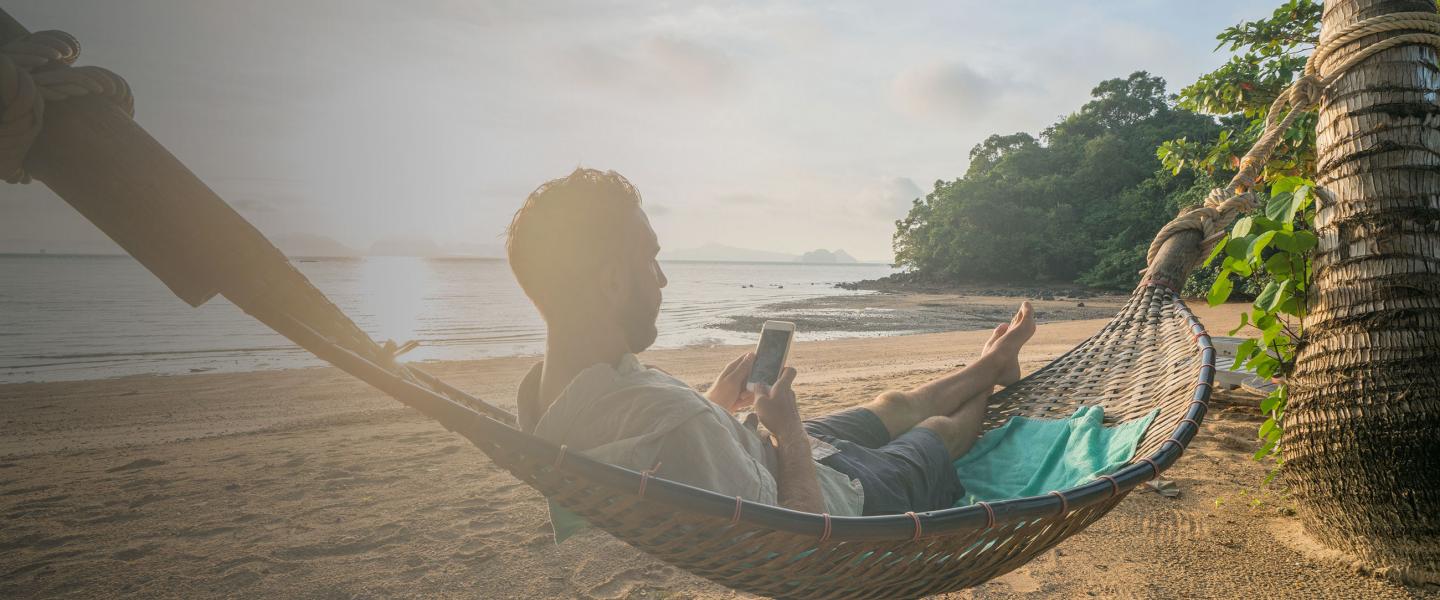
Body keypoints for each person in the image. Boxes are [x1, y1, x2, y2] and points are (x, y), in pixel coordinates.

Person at [507, 168, 1034, 532]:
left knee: (894, 403)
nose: (663, 279)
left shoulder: (548, 400)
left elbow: (663, 438)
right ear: (613, 284)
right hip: (837, 498)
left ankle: (991, 361)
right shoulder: (673, 420)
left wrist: (713, 403)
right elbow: (801, 531)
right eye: (651, 260)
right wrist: (786, 429)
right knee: (936, 430)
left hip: (758, 450)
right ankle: (993, 370)